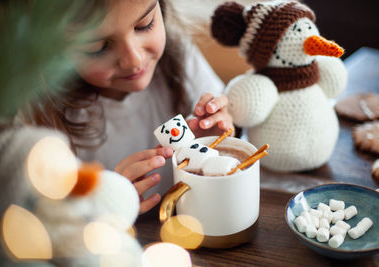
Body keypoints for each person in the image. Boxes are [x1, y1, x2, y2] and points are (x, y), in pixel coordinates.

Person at [21, 0, 234, 214]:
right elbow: (49, 219)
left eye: (145, 25)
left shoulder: (179, 56)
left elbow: (232, 134)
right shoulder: (41, 118)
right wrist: (105, 203)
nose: (134, 59)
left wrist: (222, 134)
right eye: (97, 47)